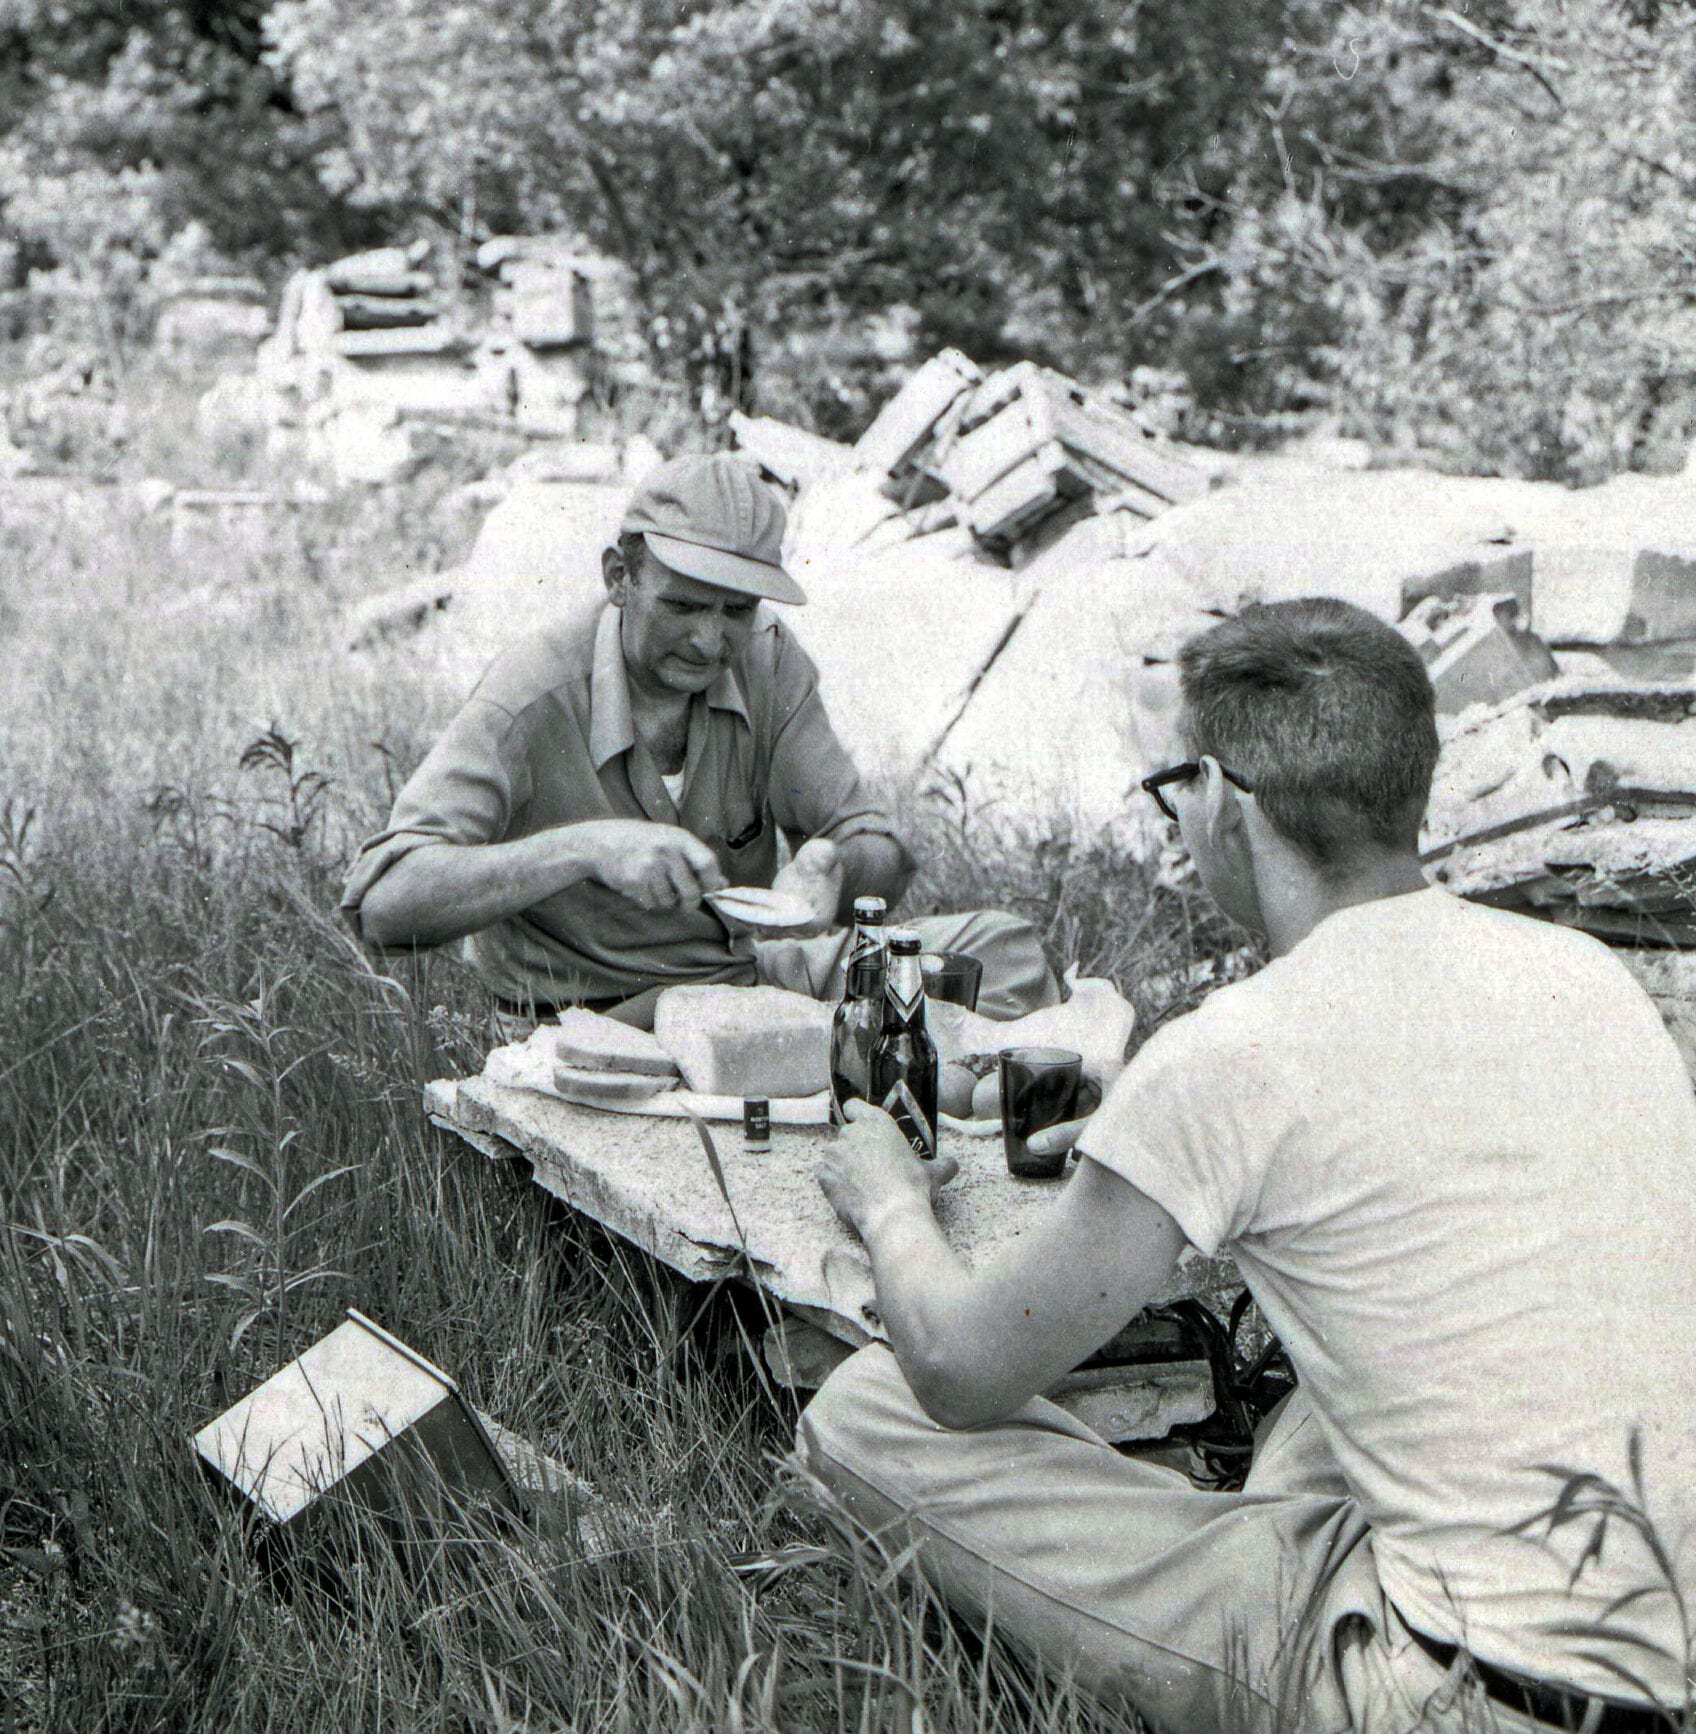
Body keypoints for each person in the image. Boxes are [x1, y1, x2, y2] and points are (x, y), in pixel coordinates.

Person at [799, 597, 1696, 1733]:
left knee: (866, 1409)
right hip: (1653, 1653)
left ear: (1222, 797)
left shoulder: (1237, 1047)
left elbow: (955, 1371)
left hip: (1443, 1695)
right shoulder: (1586, 975)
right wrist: (1156, 1137)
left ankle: (1246, 1586)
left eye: (1174, 789)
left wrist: (889, 1202)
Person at [342, 452, 1061, 1025]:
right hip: (595, 1021)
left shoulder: (768, 660)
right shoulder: (533, 692)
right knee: (842, 1046)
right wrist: (585, 849)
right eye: (683, 606)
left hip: (745, 984)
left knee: (1003, 951)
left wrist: (833, 869)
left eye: (736, 610)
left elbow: (882, 852)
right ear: (619, 577)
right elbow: (384, 905)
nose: (711, 641)